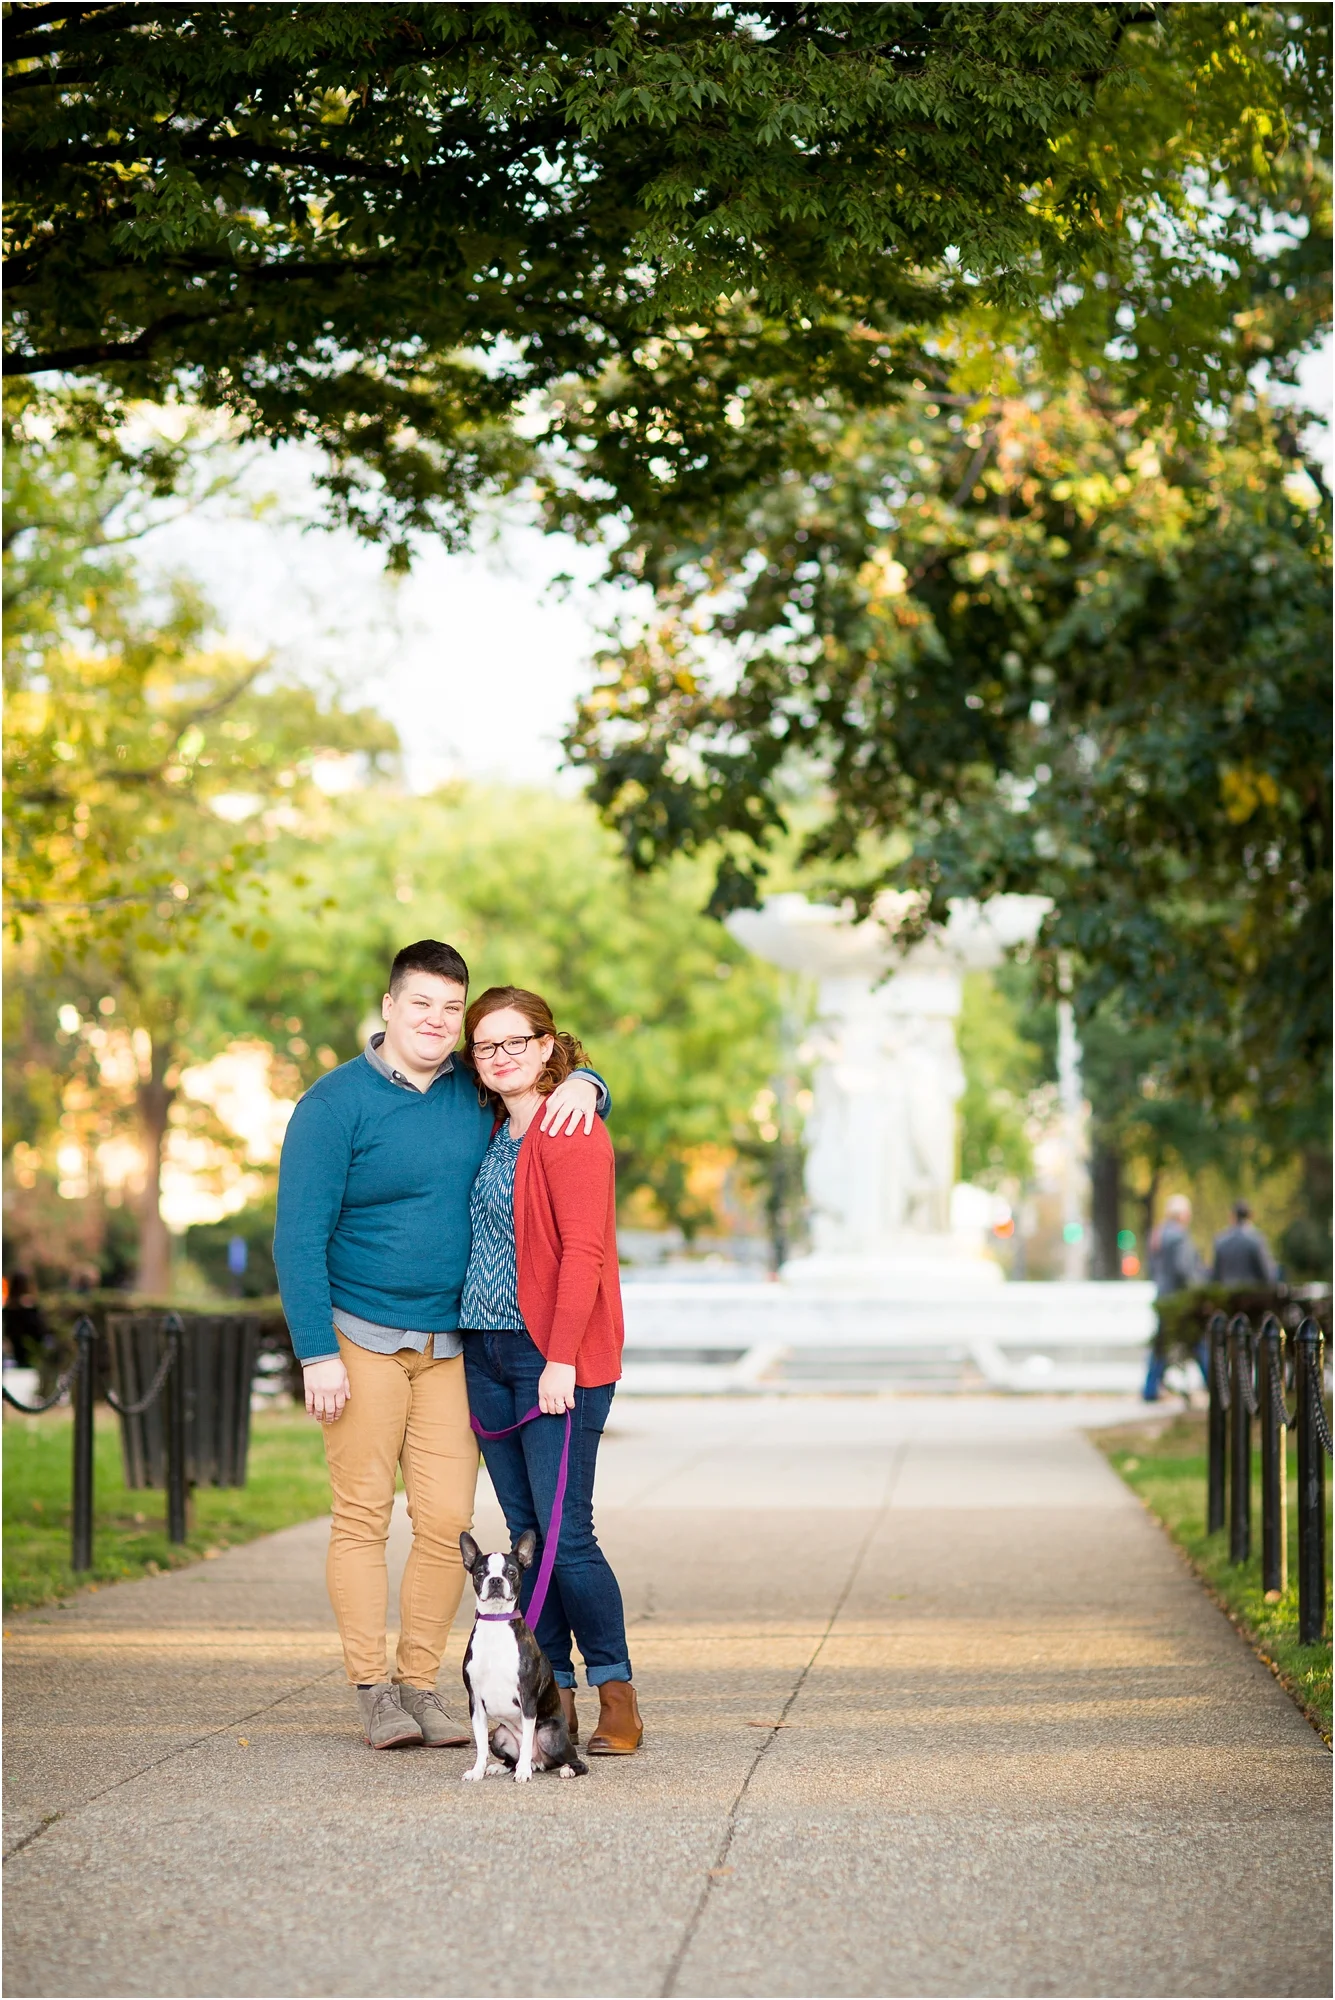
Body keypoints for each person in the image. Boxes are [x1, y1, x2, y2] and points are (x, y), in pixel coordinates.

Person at [273, 940, 609, 1752]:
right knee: (360, 1518)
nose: (437, 1020)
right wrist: (315, 1351)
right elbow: (296, 1235)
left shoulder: (473, 1090)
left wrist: (594, 1087)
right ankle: (373, 1690)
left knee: (446, 1521)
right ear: (389, 1006)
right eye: (421, 1003)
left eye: (450, 1009)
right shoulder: (333, 1105)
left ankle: (422, 1684)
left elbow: (544, 1087)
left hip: (451, 1343)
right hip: (358, 1336)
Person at [459, 985, 641, 1756]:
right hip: (485, 1351)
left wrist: (561, 1355)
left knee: (567, 1538)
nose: (499, 1056)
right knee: (527, 1536)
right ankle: (550, 1696)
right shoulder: (491, 1129)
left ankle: (617, 1693)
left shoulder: (571, 1127)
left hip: (550, 1355)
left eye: (514, 1042)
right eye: (485, 1046)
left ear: (544, 1045)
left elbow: (584, 1254)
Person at [1144, 1194, 1204, 1401]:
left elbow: (1151, 1268)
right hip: (1178, 1298)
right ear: (1182, 1215)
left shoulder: (1157, 1234)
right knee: (1197, 1340)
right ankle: (1214, 1383)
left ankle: (1150, 1388)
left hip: (1162, 1295)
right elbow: (1184, 1270)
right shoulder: (1179, 1236)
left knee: (1161, 1343)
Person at [1211, 1199, 1277, 1286]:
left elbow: (1216, 1276)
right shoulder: (1256, 1240)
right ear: (1250, 1215)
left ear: (1233, 1215)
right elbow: (1267, 1275)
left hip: (1228, 1295)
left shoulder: (1220, 1241)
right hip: (1252, 1296)